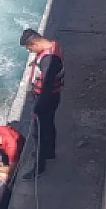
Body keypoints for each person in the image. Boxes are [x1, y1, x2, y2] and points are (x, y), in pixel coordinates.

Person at [19, 28, 64, 180]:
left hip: (46, 100)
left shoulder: (49, 60)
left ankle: (39, 167)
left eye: (30, 49)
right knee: (49, 126)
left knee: (38, 133)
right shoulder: (52, 46)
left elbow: (46, 87)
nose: (31, 52)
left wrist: (38, 108)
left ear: (35, 44)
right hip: (51, 98)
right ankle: (49, 152)